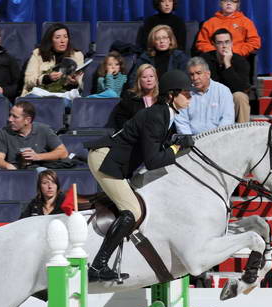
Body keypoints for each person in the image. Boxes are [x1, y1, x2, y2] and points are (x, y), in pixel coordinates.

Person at [84, 69, 195, 282]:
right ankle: (98, 266)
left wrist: (176, 142)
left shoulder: (164, 114)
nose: (190, 97)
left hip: (116, 160)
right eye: (186, 93)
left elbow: (157, 145)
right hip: (105, 159)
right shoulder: (157, 115)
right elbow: (153, 161)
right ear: (172, 95)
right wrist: (176, 147)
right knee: (132, 210)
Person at [0, 101, 68, 170]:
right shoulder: (3, 132)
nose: (9, 119)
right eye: (10, 115)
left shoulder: (44, 130)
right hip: (13, 170)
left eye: (15, 117)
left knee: (42, 171)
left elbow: (63, 152)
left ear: (27, 120)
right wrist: (7, 166)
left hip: (37, 171)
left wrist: (38, 156)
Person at [201, 28, 251, 123]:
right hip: (210, 97)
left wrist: (227, 64)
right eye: (219, 43)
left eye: (227, 42)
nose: (224, 46)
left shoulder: (240, 61)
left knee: (240, 97)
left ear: (232, 43)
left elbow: (239, 88)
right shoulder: (204, 59)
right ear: (214, 44)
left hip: (231, 98)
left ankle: (243, 133)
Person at [21, 23, 84, 97]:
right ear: (50, 40)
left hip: (65, 94)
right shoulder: (38, 54)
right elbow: (28, 80)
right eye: (57, 37)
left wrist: (75, 81)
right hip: (40, 93)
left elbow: (81, 79)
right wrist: (46, 78)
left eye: (65, 37)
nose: (62, 41)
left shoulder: (77, 55)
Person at [174, 57, 234, 135]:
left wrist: (217, 138)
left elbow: (227, 119)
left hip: (218, 138)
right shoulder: (184, 94)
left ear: (208, 74)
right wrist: (189, 141)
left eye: (198, 73)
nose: (195, 78)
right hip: (192, 140)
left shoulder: (223, 91)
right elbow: (181, 121)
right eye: (192, 74)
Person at [195, 0, 261, 58]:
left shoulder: (246, 22)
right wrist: (217, 52)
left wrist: (237, 52)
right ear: (220, 3)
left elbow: (254, 42)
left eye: (233, 1)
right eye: (225, 0)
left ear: (237, 4)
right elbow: (201, 43)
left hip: (237, 57)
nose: (229, 3)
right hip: (215, 58)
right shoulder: (210, 23)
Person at [114, 64, 159, 130]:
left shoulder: (162, 97)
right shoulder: (130, 96)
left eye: (151, 76)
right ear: (139, 80)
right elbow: (120, 118)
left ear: (156, 79)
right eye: (144, 77)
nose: (149, 80)